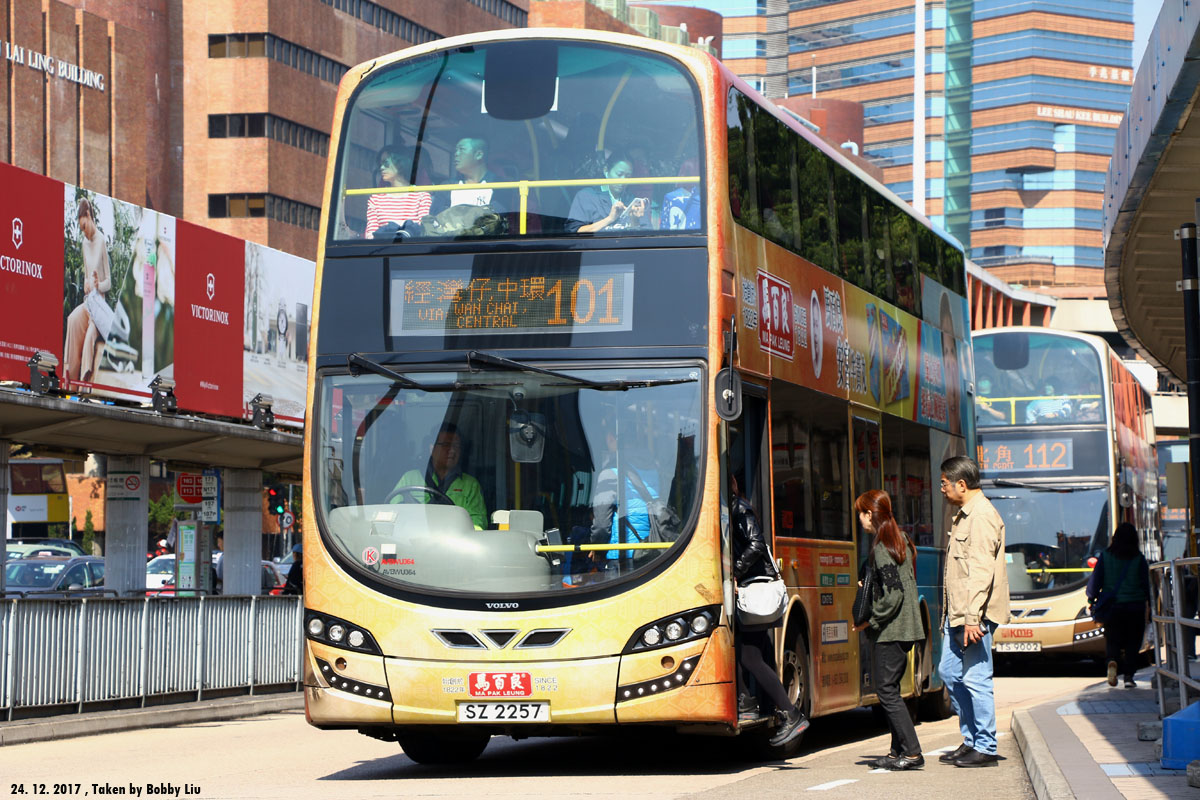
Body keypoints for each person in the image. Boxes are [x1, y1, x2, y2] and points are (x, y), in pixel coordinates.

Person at [938, 455, 1011, 767]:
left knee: (976, 678)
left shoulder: (981, 516)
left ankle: (985, 746)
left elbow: (981, 572)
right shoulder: (964, 515)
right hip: (958, 613)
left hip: (974, 615)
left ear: (961, 484)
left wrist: (972, 618)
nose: (942, 489)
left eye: (944, 483)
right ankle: (971, 740)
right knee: (949, 672)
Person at [731, 473, 808, 748]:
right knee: (751, 652)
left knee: (749, 657)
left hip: (755, 589)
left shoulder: (739, 508)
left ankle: (790, 714)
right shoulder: (733, 508)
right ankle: (755, 705)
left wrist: (734, 572)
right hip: (752, 588)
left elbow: (756, 543)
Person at [852, 489, 925, 770]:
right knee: (891, 689)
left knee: (886, 692)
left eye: (861, 513)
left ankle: (913, 753)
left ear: (870, 514)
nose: (859, 519)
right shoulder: (900, 539)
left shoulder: (883, 548)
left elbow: (894, 594)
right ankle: (897, 752)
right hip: (907, 628)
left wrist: (871, 620)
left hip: (893, 630)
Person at [588, 414, 660, 569]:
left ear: (611, 438)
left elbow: (602, 524)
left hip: (622, 556)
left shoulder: (610, 474)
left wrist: (597, 548)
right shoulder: (653, 470)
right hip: (650, 551)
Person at [1087, 522, 1151, 688]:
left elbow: (1095, 581)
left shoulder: (1105, 556)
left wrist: (1091, 600)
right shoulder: (1139, 558)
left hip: (1113, 607)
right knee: (1133, 642)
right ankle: (1128, 677)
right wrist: (1150, 604)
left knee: (1113, 639)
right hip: (1135, 606)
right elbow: (1146, 584)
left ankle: (1112, 661)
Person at [391, 422, 487, 529]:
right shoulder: (409, 478)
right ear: (432, 448)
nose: (452, 450)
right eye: (446, 445)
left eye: (456, 445)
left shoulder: (470, 485)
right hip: (413, 538)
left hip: (453, 539)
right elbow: (392, 515)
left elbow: (478, 524)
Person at [64, 198, 111, 384]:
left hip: (98, 307)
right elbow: (86, 274)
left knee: (89, 338)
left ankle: (83, 385)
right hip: (87, 302)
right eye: (81, 228)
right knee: (72, 320)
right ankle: (69, 379)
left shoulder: (101, 241)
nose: (84, 231)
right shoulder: (84, 243)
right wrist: (86, 283)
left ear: (88, 215)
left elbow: (109, 282)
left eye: (84, 226)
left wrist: (98, 285)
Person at [566, 153, 650, 233]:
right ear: (606, 170)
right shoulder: (586, 196)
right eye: (619, 174)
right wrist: (610, 219)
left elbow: (646, 235)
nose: (623, 180)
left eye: (628, 176)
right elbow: (575, 232)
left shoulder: (633, 201)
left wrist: (635, 221)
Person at [364, 145, 433, 239]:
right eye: (380, 164)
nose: (381, 168)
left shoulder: (422, 197)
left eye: (386, 163)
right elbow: (370, 235)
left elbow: (423, 231)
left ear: (400, 163)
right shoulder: (375, 199)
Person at [447, 136, 514, 213]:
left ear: (478, 155)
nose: (456, 154)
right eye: (456, 150)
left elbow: (497, 216)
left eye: (461, 149)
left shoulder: (500, 186)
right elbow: (438, 217)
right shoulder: (447, 186)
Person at [659, 159, 701, 231]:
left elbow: (664, 227)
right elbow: (664, 228)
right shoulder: (671, 198)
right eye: (686, 173)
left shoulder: (671, 198)